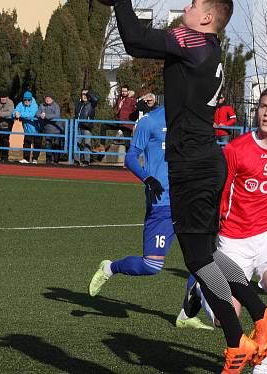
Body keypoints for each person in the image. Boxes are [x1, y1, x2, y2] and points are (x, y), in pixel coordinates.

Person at [101, 0, 267, 372]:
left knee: (198, 259)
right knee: (207, 253)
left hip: (195, 165)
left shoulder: (195, 42)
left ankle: (239, 339)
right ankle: (261, 317)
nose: (184, 9)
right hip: (200, 162)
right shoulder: (206, 46)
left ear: (206, 19)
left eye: (192, 4)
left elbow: (133, 40)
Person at [185, 87, 267, 373]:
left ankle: (262, 366)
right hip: (233, 239)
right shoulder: (235, 149)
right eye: (263, 107)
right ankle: (201, 290)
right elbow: (219, 192)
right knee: (227, 316)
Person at [89, 106, 214, 331]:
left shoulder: (192, 118)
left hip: (190, 202)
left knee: (204, 259)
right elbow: (130, 157)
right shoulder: (150, 121)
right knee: (152, 265)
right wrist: (147, 178)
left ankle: (186, 314)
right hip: (162, 203)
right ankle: (110, 268)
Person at [74, 88, 99, 166]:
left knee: (87, 144)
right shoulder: (79, 103)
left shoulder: (92, 103)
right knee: (76, 143)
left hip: (87, 127)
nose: (84, 96)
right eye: (82, 94)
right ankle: (76, 160)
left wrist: (88, 93)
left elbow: (96, 99)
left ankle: (86, 161)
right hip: (78, 126)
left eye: (85, 94)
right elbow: (76, 114)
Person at [14, 91, 40, 164]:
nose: (27, 101)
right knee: (26, 143)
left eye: (29, 100)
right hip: (27, 129)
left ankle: (35, 159)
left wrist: (20, 114)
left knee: (37, 144)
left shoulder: (35, 105)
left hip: (36, 128)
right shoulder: (20, 104)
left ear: (31, 99)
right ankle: (26, 158)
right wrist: (15, 113)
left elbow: (31, 115)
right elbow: (16, 110)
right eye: (25, 99)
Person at [37, 93, 63, 164]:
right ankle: (48, 160)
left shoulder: (56, 106)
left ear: (52, 99)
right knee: (48, 144)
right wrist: (40, 115)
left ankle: (56, 160)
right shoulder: (42, 105)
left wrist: (46, 116)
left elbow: (57, 115)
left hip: (57, 129)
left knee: (57, 144)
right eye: (46, 98)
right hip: (47, 129)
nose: (47, 99)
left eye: (49, 98)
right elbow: (37, 114)